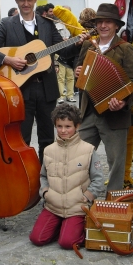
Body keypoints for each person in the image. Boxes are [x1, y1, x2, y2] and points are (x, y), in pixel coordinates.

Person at [0, 0, 86, 162]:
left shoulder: (47, 24)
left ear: (35, 0)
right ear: (16, 1)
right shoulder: (7, 24)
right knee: (22, 137)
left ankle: (45, 177)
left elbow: (61, 50)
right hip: (20, 89)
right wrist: (8, 59)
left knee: (47, 138)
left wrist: (76, 42)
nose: (26, 3)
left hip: (46, 89)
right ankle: (24, 176)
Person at [75, 3, 133, 192]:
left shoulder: (125, 48)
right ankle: (81, 195)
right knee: (80, 156)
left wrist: (123, 101)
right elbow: (79, 72)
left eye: (108, 22)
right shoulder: (88, 45)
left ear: (116, 25)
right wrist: (77, 71)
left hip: (114, 114)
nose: (103, 26)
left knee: (116, 162)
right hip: (88, 112)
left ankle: (114, 200)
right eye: (100, 22)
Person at [29, 103, 104, 249]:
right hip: (53, 205)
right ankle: (62, 227)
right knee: (36, 238)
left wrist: (88, 196)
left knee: (67, 243)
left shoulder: (88, 150)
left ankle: (73, 230)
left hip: (77, 206)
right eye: (59, 126)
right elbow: (43, 176)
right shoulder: (49, 151)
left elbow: (98, 178)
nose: (63, 130)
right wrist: (45, 192)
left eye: (68, 126)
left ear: (77, 126)